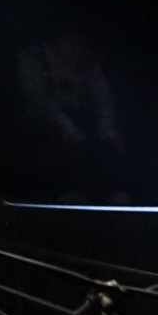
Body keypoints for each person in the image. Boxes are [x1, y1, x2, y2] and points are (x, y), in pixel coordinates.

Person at [17, 28, 125, 201]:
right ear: (60, 40)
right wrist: (65, 124)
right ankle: (66, 192)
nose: (77, 48)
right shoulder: (35, 57)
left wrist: (107, 127)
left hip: (82, 117)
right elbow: (37, 98)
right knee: (53, 139)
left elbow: (104, 100)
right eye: (72, 41)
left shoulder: (87, 62)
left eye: (81, 43)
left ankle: (111, 193)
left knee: (109, 142)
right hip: (45, 119)